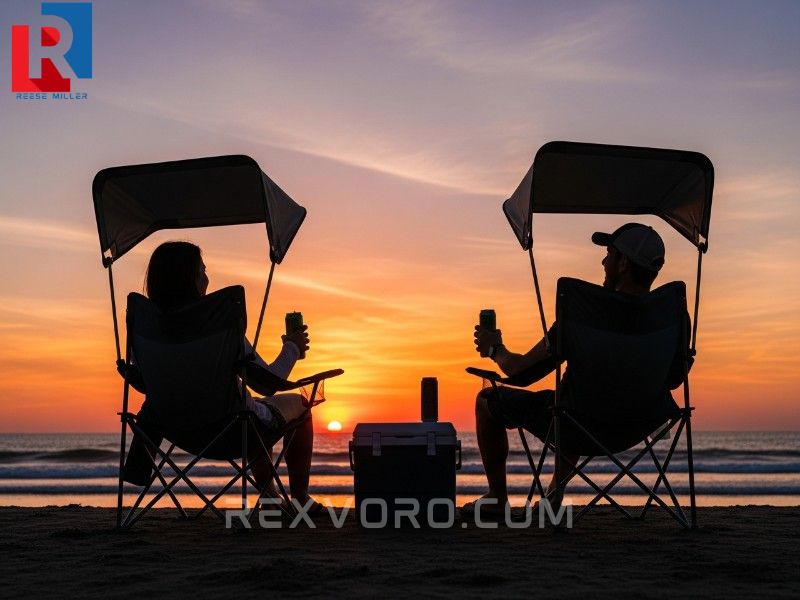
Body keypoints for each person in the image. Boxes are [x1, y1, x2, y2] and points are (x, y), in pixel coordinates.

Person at [467, 223, 684, 515]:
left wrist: (495, 349)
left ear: (623, 264)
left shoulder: (584, 313)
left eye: (609, 255)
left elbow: (520, 373)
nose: (603, 261)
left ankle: (497, 498)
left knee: (490, 402)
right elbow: (675, 379)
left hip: (580, 425)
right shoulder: (671, 315)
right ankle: (553, 497)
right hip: (640, 424)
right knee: (574, 396)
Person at [123, 241, 318, 509]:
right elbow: (268, 384)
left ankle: (271, 497)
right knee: (298, 407)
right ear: (190, 278)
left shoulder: (145, 328)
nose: (207, 276)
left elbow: (148, 384)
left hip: (175, 430)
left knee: (254, 412)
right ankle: (300, 499)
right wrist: (293, 346)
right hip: (232, 431)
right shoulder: (220, 322)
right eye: (202, 270)